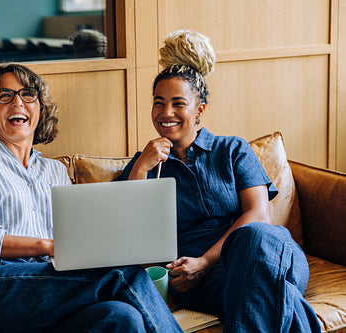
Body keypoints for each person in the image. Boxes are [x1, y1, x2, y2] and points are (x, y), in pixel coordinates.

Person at [0, 63, 182, 333]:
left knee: (122, 317)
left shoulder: (55, 171)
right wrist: (48, 245)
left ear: (41, 108)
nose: (17, 102)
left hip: (42, 290)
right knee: (122, 272)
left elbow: (75, 246)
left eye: (28, 95)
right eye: (4, 95)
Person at [116, 30, 322, 332]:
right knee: (278, 294)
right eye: (158, 103)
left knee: (255, 237)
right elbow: (129, 235)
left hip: (269, 253)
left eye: (177, 103)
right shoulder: (145, 164)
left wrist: (204, 262)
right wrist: (140, 169)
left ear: (199, 110)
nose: (166, 112)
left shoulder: (232, 149)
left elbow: (258, 214)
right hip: (205, 283)